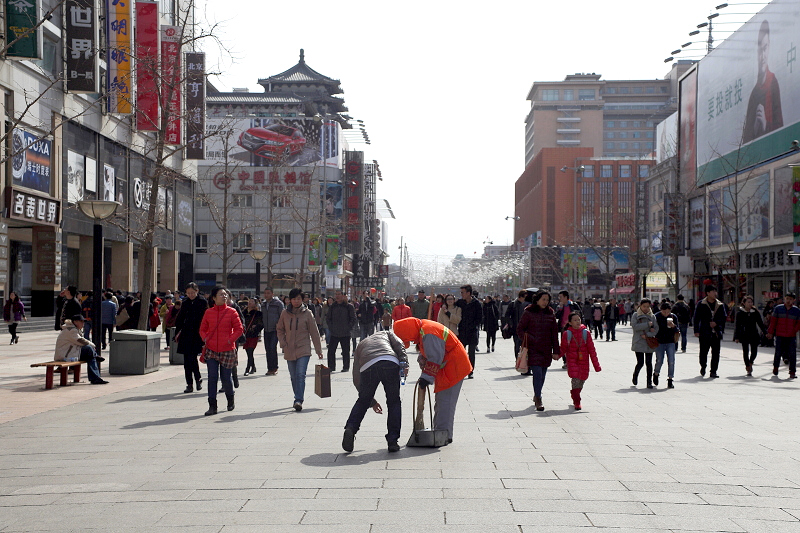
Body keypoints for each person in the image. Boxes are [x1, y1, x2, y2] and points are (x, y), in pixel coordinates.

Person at [393, 317, 472, 444]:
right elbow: (431, 351)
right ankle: (441, 432)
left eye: (409, 340)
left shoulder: (428, 332)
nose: (411, 342)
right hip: (448, 367)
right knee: (441, 403)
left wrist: (426, 378)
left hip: (454, 367)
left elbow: (435, 357)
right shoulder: (424, 330)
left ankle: (444, 435)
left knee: (445, 403)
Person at [342, 329, 409, 453]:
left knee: (362, 401)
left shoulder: (361, 344)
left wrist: (370, 401)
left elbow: (356, 378)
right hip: (389, 362)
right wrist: (404, 363)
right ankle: (393, 441)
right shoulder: (386, 333)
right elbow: (399, 345)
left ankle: (351, 428)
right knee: (394, 401)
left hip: (368, 365)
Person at [199, 286, 243, 416]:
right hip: (211, 349)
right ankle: (212, 406)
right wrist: (205, 338)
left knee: (226, 378)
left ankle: (230, 398)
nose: (224, 296)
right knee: (212, 377)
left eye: (225, 294)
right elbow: (202, 329)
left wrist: (230, 340)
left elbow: (239, 329)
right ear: (214, 298)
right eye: (221, 294)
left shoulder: (232, 312)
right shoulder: (208, 312)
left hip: (227, 349)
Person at [277, 288, 323, 411]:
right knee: (293, 376)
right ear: (289, 300)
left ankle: (298, 399)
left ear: (302, 300)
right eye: (294, 299)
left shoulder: (307, 313)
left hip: (304, 348)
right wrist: (283, 342)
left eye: (298, 299)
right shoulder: (284, 313)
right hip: (289, 348)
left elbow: (314, 332)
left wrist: (318, 350)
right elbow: (280, 329)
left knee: (300, 374)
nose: (296, 301)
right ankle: (297, 396)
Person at [517, 290, 560, 411]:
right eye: (543, 299)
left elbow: (554, 334)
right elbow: (520, 329)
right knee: (537, 374)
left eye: (547, 300)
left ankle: (537, 393)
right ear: (537, 300)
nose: (545, 302)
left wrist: (556, 350)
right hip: (533, 348)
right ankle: (538, 397)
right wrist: (530, 338)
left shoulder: (550, 313)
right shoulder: (529, 312)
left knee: (542, 375)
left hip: (546, 348)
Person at [742, 20, 783, 144]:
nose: (763, 55)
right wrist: (755, 129)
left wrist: (765, 125)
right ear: (757, 52)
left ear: (769, 47)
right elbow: (745, 141)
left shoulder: (773, 83)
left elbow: (781, 129)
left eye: (765, 48)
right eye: (760, 50)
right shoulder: (754, 93)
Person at [561, 312, 601, 410]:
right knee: (575, 379)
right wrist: (556, 356)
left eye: (578, 319)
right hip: (572, 360)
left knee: (582, 380)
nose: (577, 322)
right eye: (575, 320)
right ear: (570, 322)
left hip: (584, 361)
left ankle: (575, 394)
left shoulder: (586, 333)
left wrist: (596, 366)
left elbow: (592, 350)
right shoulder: (567, 334)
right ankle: (577, 401)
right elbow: (563, 348)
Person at [54, 315, 108, 384]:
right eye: (81, 322)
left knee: (90, 356)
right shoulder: (71, 330)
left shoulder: (73, 329)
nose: (83, 324)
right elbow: (80, 341)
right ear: (75, 322)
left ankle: (95, 377)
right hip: (65, 356)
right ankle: (95, 377)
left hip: (71, 353)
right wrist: (93, 345)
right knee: (89, 349)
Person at [175, 282, 207, 393]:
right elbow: (180, 318)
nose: (190, 295)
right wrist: (177, 333)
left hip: (197, 334)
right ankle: (189, 383)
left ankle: (197, 379)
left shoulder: (202, 302)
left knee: (192, 358)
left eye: (192, 292)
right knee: (186, 361)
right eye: (188, 293)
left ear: (197, 291)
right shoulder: (185, 303)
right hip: (186, 333)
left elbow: (205, 319)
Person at [693, 285, 727, 378]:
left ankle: (713, 371)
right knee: (703, 352)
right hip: (704, 332)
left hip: (716, 333)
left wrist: (716, 323)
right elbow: (696, 318)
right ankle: (703, 366)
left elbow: (723, 317)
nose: (715, 293)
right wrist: (696, 330)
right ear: (708, 293)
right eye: (713, 291)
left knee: (716, 353)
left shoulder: (720, 304)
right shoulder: (701, 304)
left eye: (716, 291)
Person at [766, 292, 800, 379]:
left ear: (794, 300)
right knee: (778, 352)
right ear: (784, 299)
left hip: (791, 335)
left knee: (792, 354)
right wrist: (770, 332)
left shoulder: (796, 310)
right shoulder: (778, 308)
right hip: (780, 335)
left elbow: (798, 323)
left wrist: (794, 330)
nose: (788, 301)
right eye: (787, 298)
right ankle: (775, 367)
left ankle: (792, 371)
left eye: (790, 299)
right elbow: (773, 322)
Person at [734, 295, 767, 377]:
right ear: (744, 303)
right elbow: (737, 326)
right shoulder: (740, 313)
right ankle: (747, 366)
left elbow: (760, 323)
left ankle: (751, 362)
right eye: (748, 302)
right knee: (745, 351)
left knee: (754, 351)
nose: (750, 303)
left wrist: (765, 332)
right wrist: (736, 337)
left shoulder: (755, 312)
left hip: (754, 334)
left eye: (751, 302)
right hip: (744, 334)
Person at [326, 290, 356, 372]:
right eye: (336, 294)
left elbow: (353, 318)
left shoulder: (349, 306)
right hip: (334, 332)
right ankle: (331, 367)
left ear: (343, 296)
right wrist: (331, 327)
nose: (337, 296)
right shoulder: (332, 306)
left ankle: (346, 367)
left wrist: (348, 327)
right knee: (331, 351)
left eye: (339, 294)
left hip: (345, 333)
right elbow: (328, 318)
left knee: (345, 351)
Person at [456, 284, 482, 379]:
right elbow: (451, 306)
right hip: (462, 331)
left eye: (463, 292)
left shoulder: (477, 303)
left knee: (471, 353)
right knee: (461, 353)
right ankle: (462, 370)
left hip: (472, 332)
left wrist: (473, 326)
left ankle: (470, 371)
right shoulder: (460, 302)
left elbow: (479, 318)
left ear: (468, 293)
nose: (461, 294)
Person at [631, 298, 658, 389]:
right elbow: (635, 327)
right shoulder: (635, 315)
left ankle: (649, 382)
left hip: (649, 342)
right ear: (640, 306)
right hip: (638, 341)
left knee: (649, 363)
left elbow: (656, 329)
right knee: (640, 362)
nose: (646, 308)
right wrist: (647, 325)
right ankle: (635, 375)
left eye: (647, 306)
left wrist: (648, 335)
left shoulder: (652, 316)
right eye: (644, 306)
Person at [653, 302, 678, 389]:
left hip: (671, 341)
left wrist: (673, 326)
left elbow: (677, 330)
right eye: (664, 312)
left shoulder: (673, 317)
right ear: (661, 310)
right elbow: (653, 328)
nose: (666, 314)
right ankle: (656, 374)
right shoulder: (656, 316)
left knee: (671, 361)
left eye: (668, 312)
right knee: (659, 360)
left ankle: (670, 379)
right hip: (659, 342)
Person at [262, 287, 285, 376]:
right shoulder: (263, 304)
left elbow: (282, 316)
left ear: (272, 294)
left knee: (272, 348)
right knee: (267, 349)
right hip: (266, 329)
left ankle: (275, 367)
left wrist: (280, 326)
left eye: (268, 293)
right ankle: (269, 368)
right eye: (265, 293)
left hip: (275, 330)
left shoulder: (278, 304)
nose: (266, 295)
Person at [242, 298, 264, 376]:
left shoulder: (258, 313)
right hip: (245, 335)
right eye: (249, 301)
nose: (250, 303)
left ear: (255, 304)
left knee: (250, 351)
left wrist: (256, 326)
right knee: (248, 352)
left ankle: (247, 368)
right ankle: (253, 367)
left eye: (252, 302)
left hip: (253, 335)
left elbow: (261, 324)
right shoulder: (244, 312)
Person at [505, 290, 528, 360]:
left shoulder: (526, 305)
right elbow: (507, 315)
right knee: (517, 345)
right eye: (525, 297)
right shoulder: (513, 304)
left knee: (525, 346)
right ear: (521, 297)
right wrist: (511, 324)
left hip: (525, 329)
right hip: (516, 329)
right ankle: (517, 359)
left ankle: (523, 360)